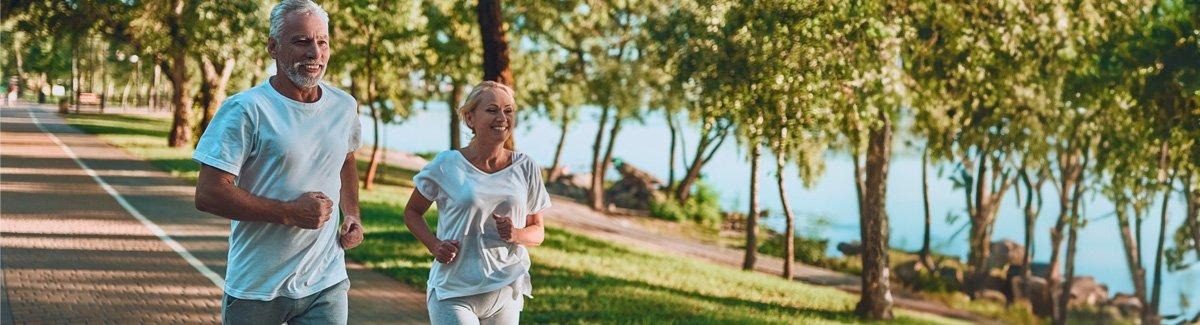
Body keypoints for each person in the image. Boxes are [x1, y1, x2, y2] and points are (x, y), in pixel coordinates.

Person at [192, 0, 362, 324]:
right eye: (301, 41)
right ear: (273, 46)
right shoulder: (246, 109)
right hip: (257, 287)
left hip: (325, 282)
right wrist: (288, 213)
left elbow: (347, 159)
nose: (315, 52)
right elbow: (208, 193)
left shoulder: (344, 106)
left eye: (322, 41)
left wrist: (352, 214)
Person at [404, 81, 550, 324]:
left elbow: (538, 231)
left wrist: (515, 233)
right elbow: (412, 212)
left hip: (505, 291)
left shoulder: (526, 167)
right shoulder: (446, 164)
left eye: (508, 110)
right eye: (492, 110)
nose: (502, 117)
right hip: (454, 292)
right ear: (470, 118)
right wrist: (433, 244)